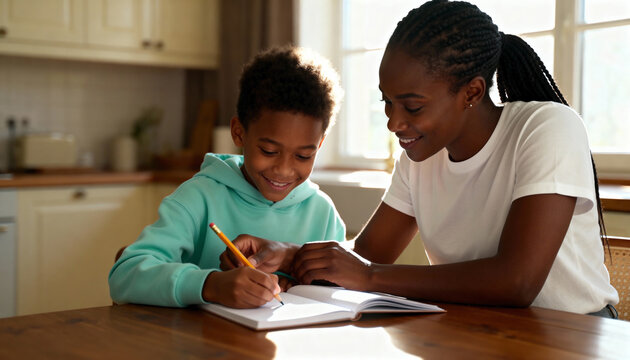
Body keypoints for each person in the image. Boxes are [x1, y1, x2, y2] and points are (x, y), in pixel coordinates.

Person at [224, 0, 619, 318]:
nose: (395, 122)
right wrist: (289, 253)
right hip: (475, 326)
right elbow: (367, 253)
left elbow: (516, 282)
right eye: (387, 102)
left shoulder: (546, 128)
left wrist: (370, 277)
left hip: (573, 334)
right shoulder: (420, 156)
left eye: (412, 106)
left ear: (472, 92)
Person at [109, 45, 346, 309]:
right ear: (239, 133)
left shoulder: (323, 213)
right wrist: (210, 285)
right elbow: (124, 275)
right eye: (268, 151)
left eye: (303, 156)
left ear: (320, 144)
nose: (283, 170)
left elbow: (339, 291)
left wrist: (301, 285)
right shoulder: (199, 197)